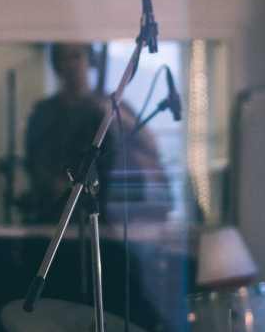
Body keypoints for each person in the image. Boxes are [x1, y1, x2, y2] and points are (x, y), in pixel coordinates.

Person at [23, 42, 171, 223]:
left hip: (105, 214)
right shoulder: (44, 112)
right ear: (56, 65)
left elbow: (148, 146)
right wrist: (62, 188)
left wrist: (117, 116)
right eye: (64, 58)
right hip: (58, 213)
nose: (71, 64)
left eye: (76, 56)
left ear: (89, 59)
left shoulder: (113, 105)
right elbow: (36, 163)